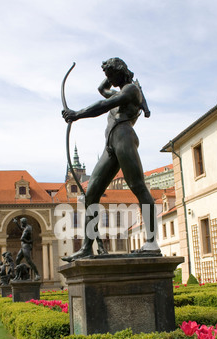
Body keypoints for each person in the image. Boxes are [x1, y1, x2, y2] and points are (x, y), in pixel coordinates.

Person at [62, 57, 160, 262]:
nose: (109, 81)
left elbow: (103, 104)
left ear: (120, 72)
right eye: (108, 77)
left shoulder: (131, 91)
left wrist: (76, 114)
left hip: (124, 137)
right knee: (91, 194)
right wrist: (109, 72)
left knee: (138, 186)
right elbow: (101, 89)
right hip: (110, 145)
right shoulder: (119, 91)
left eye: (111, 76)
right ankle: (87, 248)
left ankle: (151, 242)